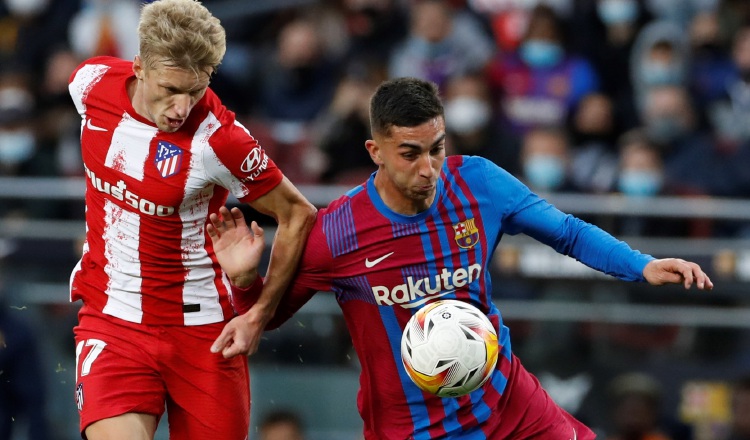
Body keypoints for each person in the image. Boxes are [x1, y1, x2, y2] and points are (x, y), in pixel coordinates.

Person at [208, 77, 713, 439]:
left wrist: (641, 264)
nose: (429, 168)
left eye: (437, 148)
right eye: (410, 153)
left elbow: (568, 232)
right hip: (413, 428)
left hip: (507, 402)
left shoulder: (478, 182)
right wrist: (248, 280)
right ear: (375, 151)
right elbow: (263, 321)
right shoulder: (337, 232)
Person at [66, 0, 316, 439]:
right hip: (113, 319)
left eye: (196, 91)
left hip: (204, 334)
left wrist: (258, 311)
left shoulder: (219, 140)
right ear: (139, 66)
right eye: (170, 89)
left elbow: (297, 213)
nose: (182, 107)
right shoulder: (89, 83)